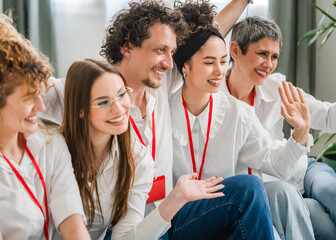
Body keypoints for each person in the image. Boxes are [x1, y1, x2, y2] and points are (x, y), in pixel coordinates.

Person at [41, 0, 276, 239]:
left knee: (249, 189)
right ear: (127, 47)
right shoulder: (91, 88)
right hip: (123, 228)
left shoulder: (161, 79)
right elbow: (27, 89)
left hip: (168, 216)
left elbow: (209, 35)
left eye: (172, 52)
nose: (168, 62)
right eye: (160, 50)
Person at [169, 2, 314, 240]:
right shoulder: (162, 108)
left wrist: (300, 133)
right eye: (209, 62)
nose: (219, 71)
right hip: (171, 214)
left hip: (218, 211)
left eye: (223, 61)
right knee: (249, 188)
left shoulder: (238, 114)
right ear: (185, 66)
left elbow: (278, 166)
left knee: (256, 189)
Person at [61, 59, 225, 239]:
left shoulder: (137, 159)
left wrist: (176, 198)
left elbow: (124, 237)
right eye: (103, 102)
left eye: (122, 94)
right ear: (80, 110)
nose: (119, 108)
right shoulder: (53, 149)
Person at [0, 13, 90, 240]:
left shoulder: (50, 143)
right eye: (28, 98)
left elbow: (75, 229)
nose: (40, 106)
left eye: (40, 93)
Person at [224, 16, 336, 239]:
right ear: (235, 51)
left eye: (274, 56)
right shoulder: (218, 102)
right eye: (262, 54)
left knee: (330, 191)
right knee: (322, 223)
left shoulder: (276, 88)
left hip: (305, 169)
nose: (269, 64)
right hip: (277, 186)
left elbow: (325, 115)